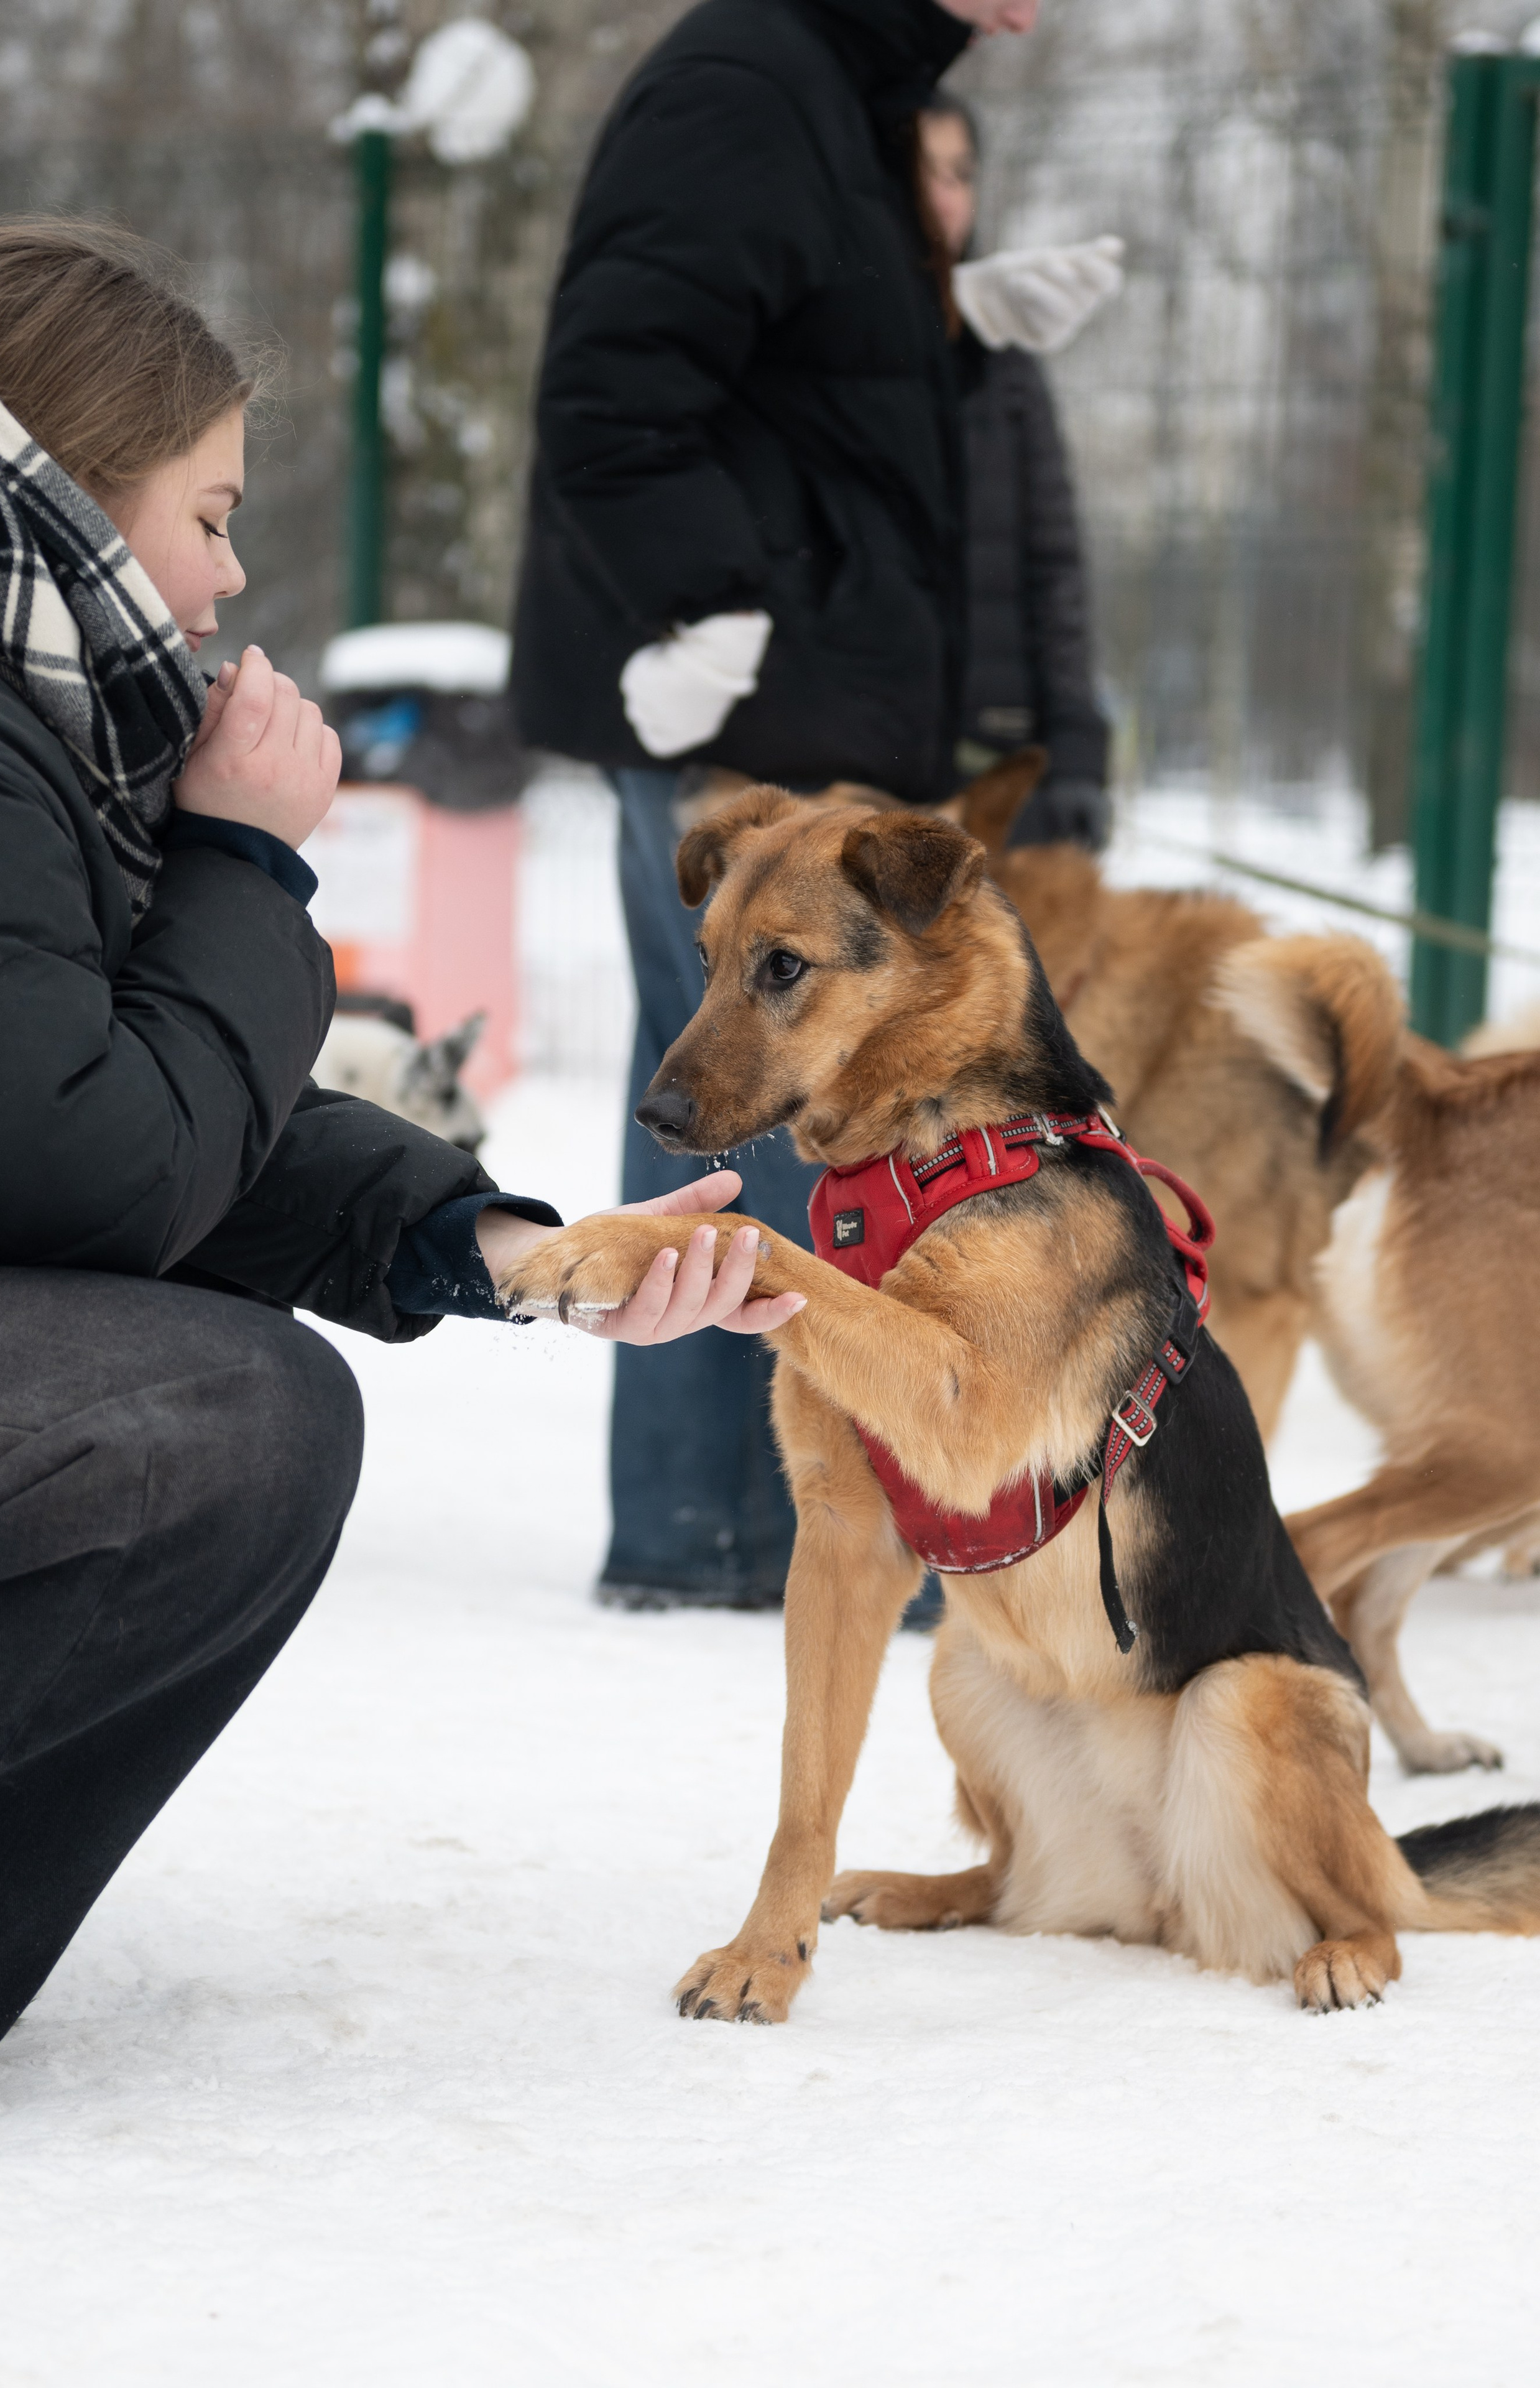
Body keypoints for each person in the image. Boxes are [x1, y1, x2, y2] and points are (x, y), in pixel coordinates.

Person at [0, 221, 801, 2089]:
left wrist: (493, 1246)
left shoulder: (21, 721)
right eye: (210, 511)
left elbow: (70, 1111)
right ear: (74, 487)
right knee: (215, 1417)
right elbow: (94, 1175)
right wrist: (246, 860)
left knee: (223, 1395)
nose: (230, 576)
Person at [510, 0, 1044, 1612]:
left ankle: (781, 1524)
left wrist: (948, 335)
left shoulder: (841, 88)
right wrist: (705, 604)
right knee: (721, 1087)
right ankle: (707, 1537)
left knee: (789, 1093)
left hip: (814, 699)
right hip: (735, 705)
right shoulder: (753, 81)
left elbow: (790, 390)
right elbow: (615, 386)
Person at [917, 95, 1113, 848]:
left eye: (961, 174)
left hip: (1000, 768)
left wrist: (1075, 757)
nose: (944, 197)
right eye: (922, 172)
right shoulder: (819, 350)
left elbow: (1054, 566)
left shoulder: (1006, 365)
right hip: (865, 765)